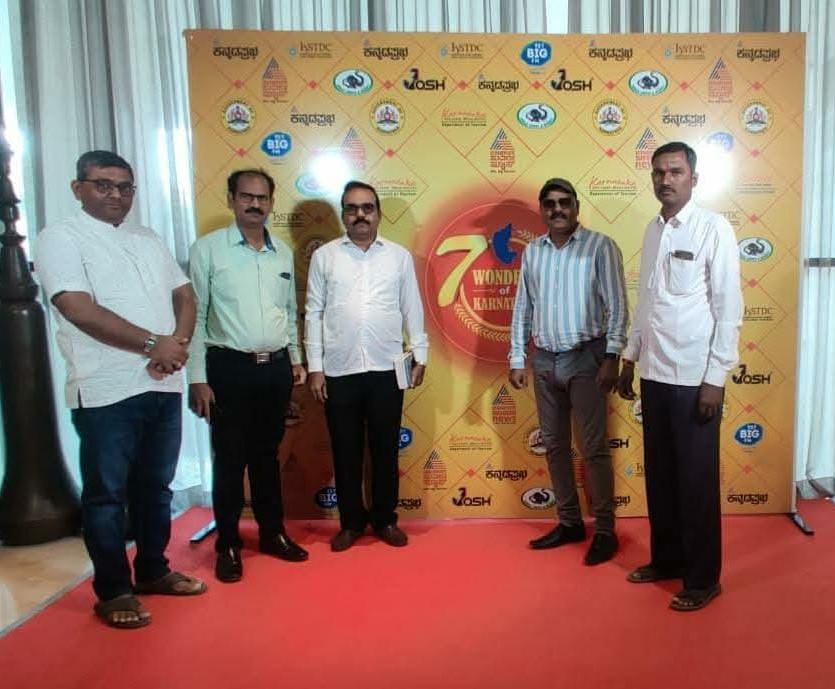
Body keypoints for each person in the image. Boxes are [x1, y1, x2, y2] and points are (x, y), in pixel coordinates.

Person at [34, 150, 206, 630]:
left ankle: (153, 570)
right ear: (78, 188)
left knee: (156, 488)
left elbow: (185, 295)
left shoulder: (146, 237)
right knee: (107, 495)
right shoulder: (60, 238)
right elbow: (77, 308)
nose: (116, 195)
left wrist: (176, 347)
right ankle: (113, 591)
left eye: (125, 187)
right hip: (105, 389)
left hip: (163, 381)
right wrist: (153, 343)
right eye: (103, 185)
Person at [617, 141, 742, 611]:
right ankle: (667, 559)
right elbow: (647, 302)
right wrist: (631, 357)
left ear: (694, 178)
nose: (665, 180)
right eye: (658, 172)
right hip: (654, 373)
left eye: (675, 172)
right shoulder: (653, 230)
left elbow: (728, 309)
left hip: (694, 379)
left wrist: (716, 379)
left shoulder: (714, 228)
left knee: (695, 483)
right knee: (662, 477)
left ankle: (703, 578)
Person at [187, 169, 308, 583]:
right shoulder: (207, 250)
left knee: (267, 458)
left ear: (272, 202)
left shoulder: (282, 253)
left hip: (274, 369)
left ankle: (273, 534)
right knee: (229, 461)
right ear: (231, 199)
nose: (255, 204)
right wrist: (197, 377)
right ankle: (228, 544)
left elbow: (288, 312)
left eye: (262, 198)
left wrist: (295, 359)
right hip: (228, 369)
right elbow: (196, 317)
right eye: (246, 197)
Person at [509, 177, 628, 566]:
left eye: (564, 202)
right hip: (544, 359)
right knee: (555, 447)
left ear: (576, 206)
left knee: (593, 449)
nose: (557, 209)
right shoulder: (533, 252)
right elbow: (523, 307)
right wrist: (516, 356)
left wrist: (612, 355)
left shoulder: (600, 246)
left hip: (586, 358)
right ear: (542, 210)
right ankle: (570, 522)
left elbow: (618, 305)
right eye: (550, 203)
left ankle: (605, 530)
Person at [304, 180, 428, 552]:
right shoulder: (324, 256)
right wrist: (315, 366)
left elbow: (412, 307)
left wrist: (420, 354)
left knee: (385, 450)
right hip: (338, 369)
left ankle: (385, 519)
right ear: (344, 213)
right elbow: (313, 312)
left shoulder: (398, 257)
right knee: (346, 451)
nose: (360, 215)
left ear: (378, 213)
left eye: (367, 207)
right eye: (352, 208)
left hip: (387, 368)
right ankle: (351, 523)